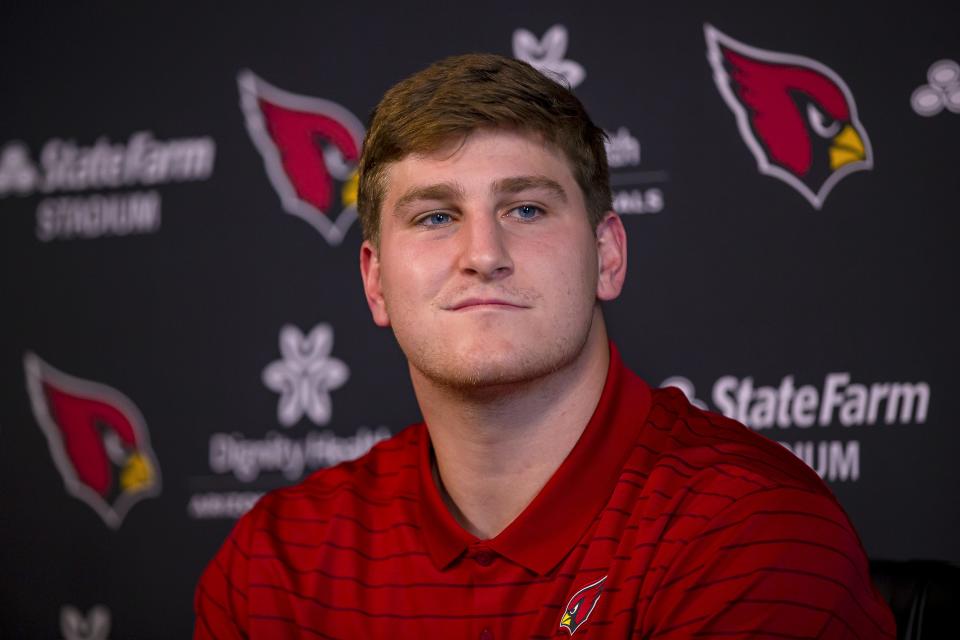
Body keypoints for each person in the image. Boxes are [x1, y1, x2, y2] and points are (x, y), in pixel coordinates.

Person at [195, 53, 895, 638]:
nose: (483, 254)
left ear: (607, 255)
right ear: (376, 283)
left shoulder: (754, 533)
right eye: (436, 216)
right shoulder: (274, 567)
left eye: (525, 208)